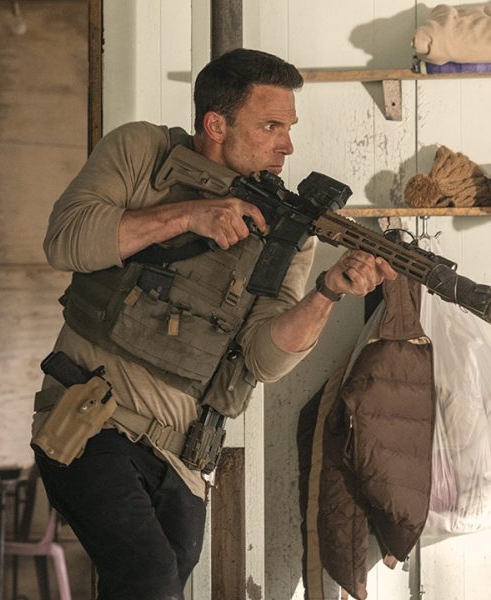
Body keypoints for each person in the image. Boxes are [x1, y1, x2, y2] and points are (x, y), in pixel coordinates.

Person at [31, 48, 398, 600]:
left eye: (289, 128)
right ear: (216, 124)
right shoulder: (142, 151)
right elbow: (66, 241)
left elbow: (263, 359)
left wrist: (328, 291)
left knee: (159, 587)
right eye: (270, 126)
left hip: (184, 457)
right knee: (149, 581)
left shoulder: (288, 232)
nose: (287, 146)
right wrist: (187, 215)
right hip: (91, 422)